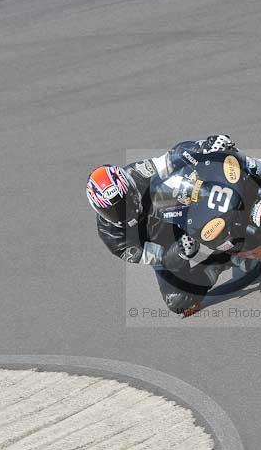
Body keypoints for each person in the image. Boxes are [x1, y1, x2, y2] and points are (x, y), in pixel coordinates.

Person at [86, 135, 239, 315]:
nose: (123, 210)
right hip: (164, 245)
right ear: (98, 209)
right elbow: (157, 257)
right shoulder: (112, 237)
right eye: (113, 210)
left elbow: (172, 157)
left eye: (125, 200)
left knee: (214, 164)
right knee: (179, 302)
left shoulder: (137, 173)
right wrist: (179, 251)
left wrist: (204, 146)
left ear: (129, 187)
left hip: (177, 207)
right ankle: (225, 258)